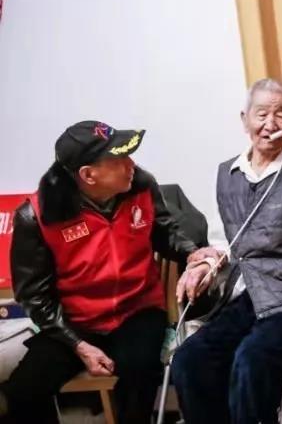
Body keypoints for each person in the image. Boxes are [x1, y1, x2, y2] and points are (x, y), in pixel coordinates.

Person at [170, 79, 282, 424]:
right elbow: (224, 243)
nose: (270, 123)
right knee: (190, 361)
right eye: (261, 114)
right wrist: (206, 264)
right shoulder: (227, 174)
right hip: (245, 297)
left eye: (281, 114)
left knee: (250, 360)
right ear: (245, 120)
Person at [5, 121, 214, 424]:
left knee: (139, 376)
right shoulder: (37, 215)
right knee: (24, 392)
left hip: (137, 310)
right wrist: (78, 345)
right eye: (118, 160)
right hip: (73, 322)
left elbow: (164, 231)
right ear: (88, 175)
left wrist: (190, 251)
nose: (132, 165)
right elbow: (34, 296)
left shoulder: (141, 185)